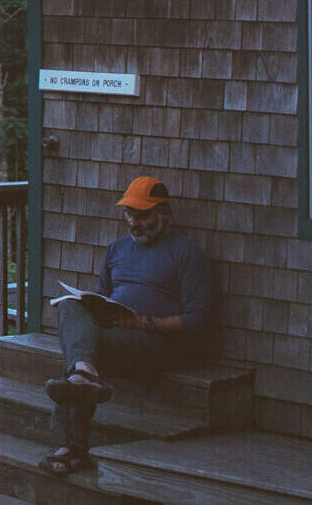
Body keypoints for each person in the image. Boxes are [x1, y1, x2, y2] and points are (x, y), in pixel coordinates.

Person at [39, 175, 212, 477]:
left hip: (159, 343)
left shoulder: (186, 253)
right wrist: (96, 308)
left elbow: (198, 320)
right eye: (129, 214)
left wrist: (142, 323)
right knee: (69, 305)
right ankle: (83, 374)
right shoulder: (117, 249)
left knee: (86, 351)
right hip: (117, 334)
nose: (134, 222)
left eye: (142, 215)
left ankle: (72, 443)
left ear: (164, 213)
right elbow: (101, 298)